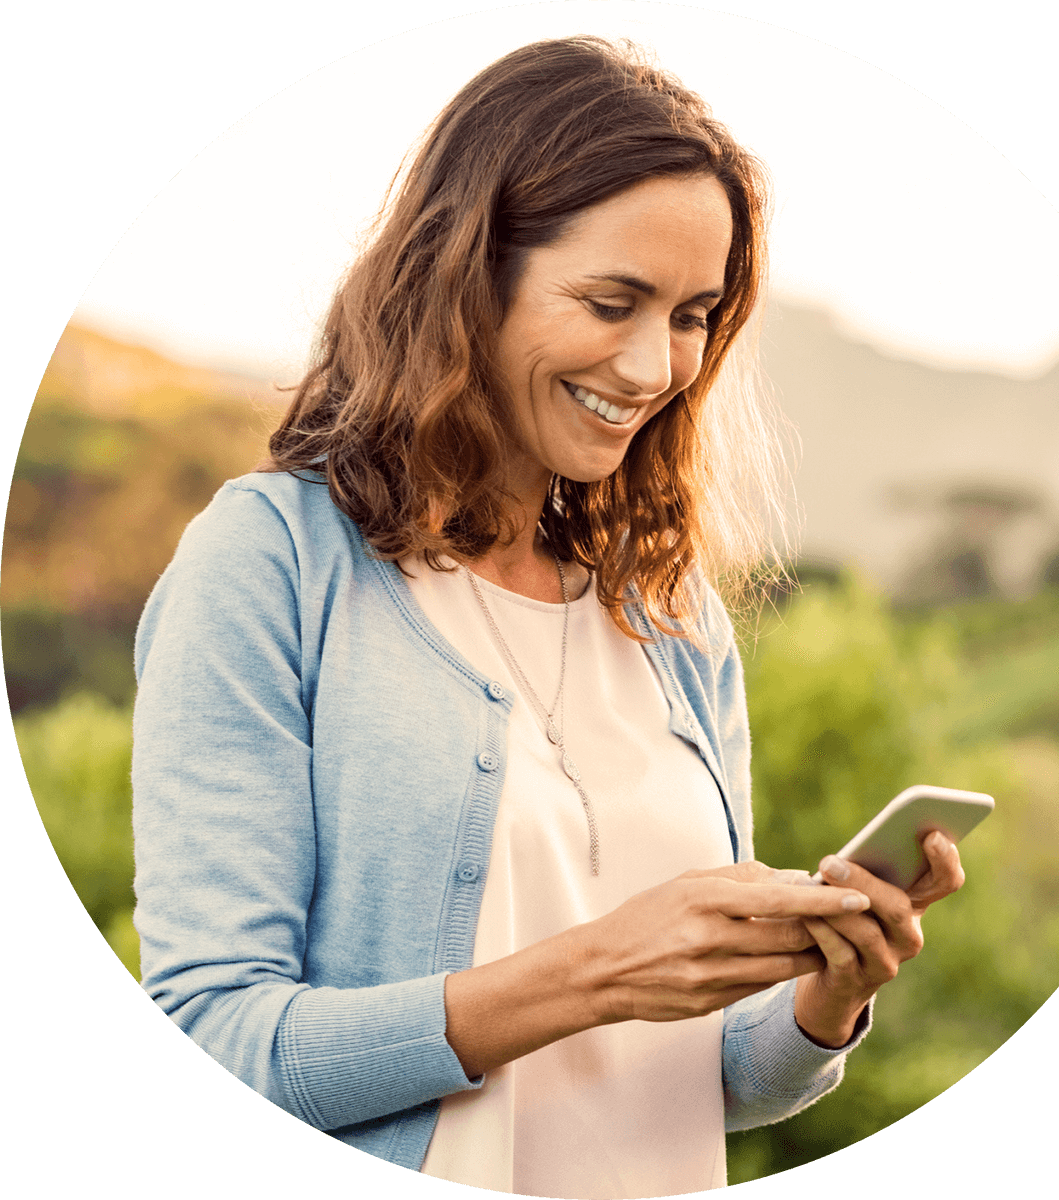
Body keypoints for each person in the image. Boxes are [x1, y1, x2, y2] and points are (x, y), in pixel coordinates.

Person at [132, 36, 964, 1195]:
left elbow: (706, 1078)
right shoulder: (270, 564)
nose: (653, 364)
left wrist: (826, 997)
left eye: (692, 315)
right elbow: (217, 1034)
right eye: (612, 301)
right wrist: (596, 971)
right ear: (466, 273)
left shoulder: (669, 619)